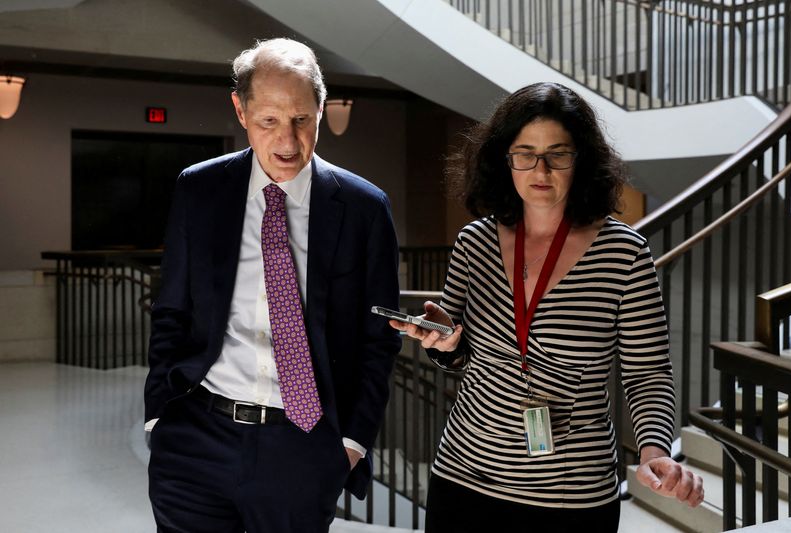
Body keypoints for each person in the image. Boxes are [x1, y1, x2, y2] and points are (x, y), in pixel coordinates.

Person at [391, 82, 704, 532]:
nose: (540, 168)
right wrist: (443, 340)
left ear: (582, 160)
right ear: (506, 158)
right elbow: (457, 358)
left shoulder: (624, 254)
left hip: (570, 496)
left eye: (558, 153)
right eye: (525, 153)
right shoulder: (474, 242)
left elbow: (647, 373)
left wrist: (654, 450)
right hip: (464, 476)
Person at [144, 38, 402, 533]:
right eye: (269, 121)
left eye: (303, 120)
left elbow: (379, 338)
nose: (288, 142)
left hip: (302, 446)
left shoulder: (366, 209)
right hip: (196, 437)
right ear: (240, 110)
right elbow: (171, 309)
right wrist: (160, 418)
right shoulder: (198, 189)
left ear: (321, 110)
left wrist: (349, 445)